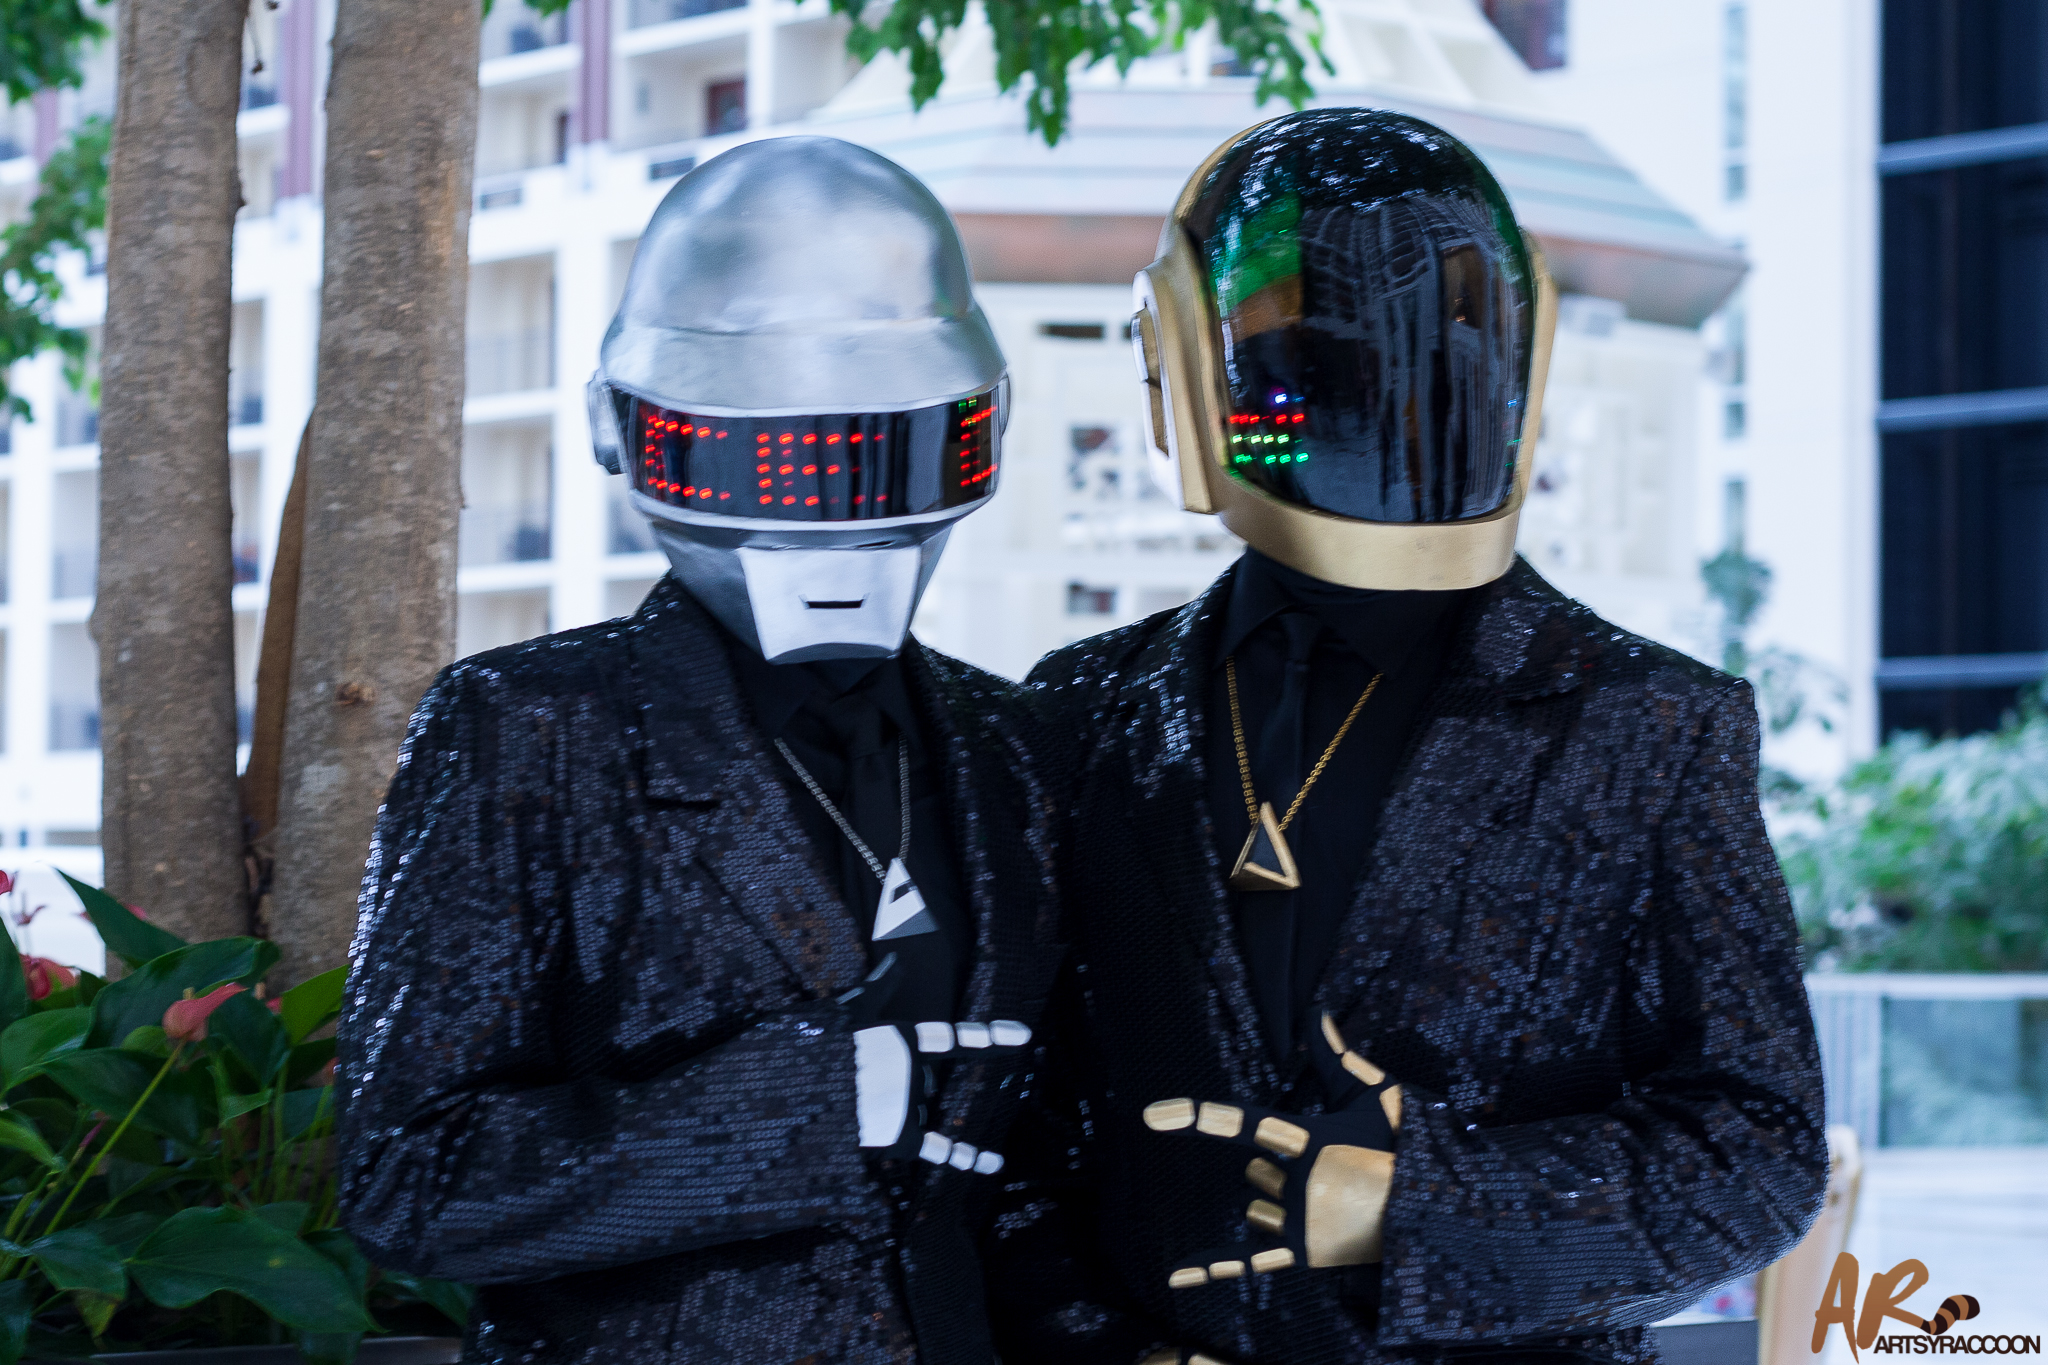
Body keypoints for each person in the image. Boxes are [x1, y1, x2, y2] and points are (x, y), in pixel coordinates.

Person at [992, 109, 1828, 1365]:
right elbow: (1006, 1125)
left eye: (1410, 364)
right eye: (1303, 368)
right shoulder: (1081, 706)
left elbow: (1758, 1155)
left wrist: (1415, 1207)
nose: (1358, 412)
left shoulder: (1644, 723)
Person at [337, 137, 1065, 1365]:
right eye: (770, 454)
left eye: (883, 447)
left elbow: (1048, 1159)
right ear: (620, 428)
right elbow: (411, 1177)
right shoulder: (527, 730)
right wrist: (816, 1104)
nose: (828, 508)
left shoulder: (1016, 746)